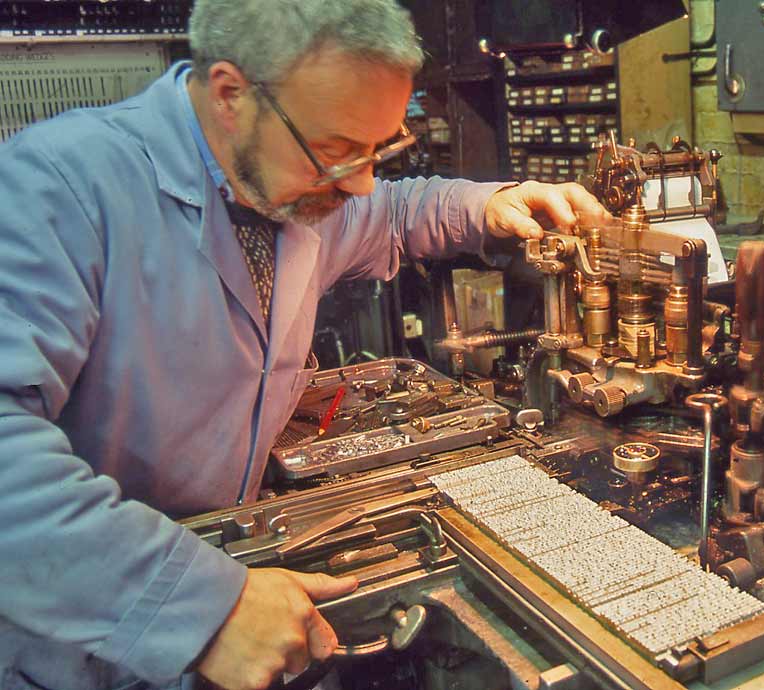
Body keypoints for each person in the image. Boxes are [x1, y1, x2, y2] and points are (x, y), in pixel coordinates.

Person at [0, 1, 609, 688]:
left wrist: (490, 204)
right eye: (337, 149)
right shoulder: (56, 188)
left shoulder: (287, 187)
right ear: (231, 94)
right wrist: (197, 607)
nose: (358, 183)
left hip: (235, 560)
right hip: (79, 635)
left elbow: (397, 210)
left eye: (380, 148)